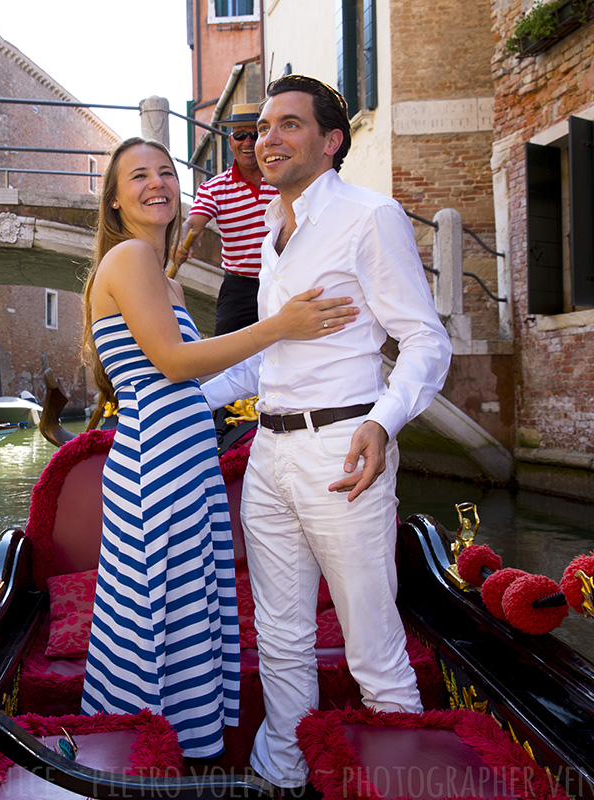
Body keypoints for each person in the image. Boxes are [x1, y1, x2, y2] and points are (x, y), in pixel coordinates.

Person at [201, 75, 452, 794]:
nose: (266, 141)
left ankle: (397, 781)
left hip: (343, 452)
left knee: (372, 647)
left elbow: (425, 342)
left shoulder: (370, 217)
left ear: (330, 140)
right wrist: (175, 399)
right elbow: (263, 363)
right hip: (271, 455)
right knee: (280, 640)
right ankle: (284, 774)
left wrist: (383, 420)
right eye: (262, 128)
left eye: (287, 126)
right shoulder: (274, 231)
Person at [79, 136, 357, 759]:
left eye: (166, 172)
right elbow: (175, 363)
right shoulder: (128, 260)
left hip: (186, 456)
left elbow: (196, 376)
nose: (158, 184)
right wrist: (280, 327)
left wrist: (288, 356)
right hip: (156, 458)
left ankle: (174, 748)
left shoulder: (164, 281)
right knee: (153, 606)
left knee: (184, 608)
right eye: (139, 177)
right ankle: (130, 754)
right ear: (117, 201)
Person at [173, 103, 277, 336]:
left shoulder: (284, 178)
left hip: (285, 279)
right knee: (225, 361)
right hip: (240, 287)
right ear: (231, 142)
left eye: (255, 134)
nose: (248, 142)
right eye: (240, 135)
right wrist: (181, 240)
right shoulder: (214, 189)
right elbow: (193, 223)